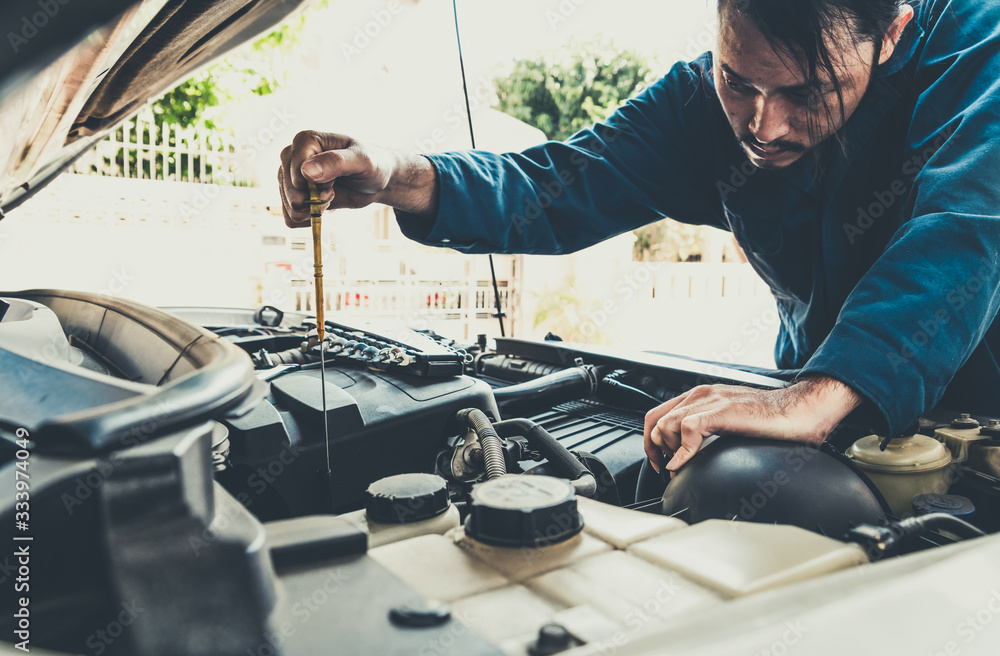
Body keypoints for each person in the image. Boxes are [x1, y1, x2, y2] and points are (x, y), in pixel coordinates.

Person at [277, 0, 1000, 483]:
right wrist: (393, 175)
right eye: (738, 81)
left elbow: (969, 219)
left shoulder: (978, 43)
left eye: (808, 93)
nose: (762, 126)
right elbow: (557, 183)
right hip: (817, 422)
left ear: (895, 31)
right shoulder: (700, 111)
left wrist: (816, 395)